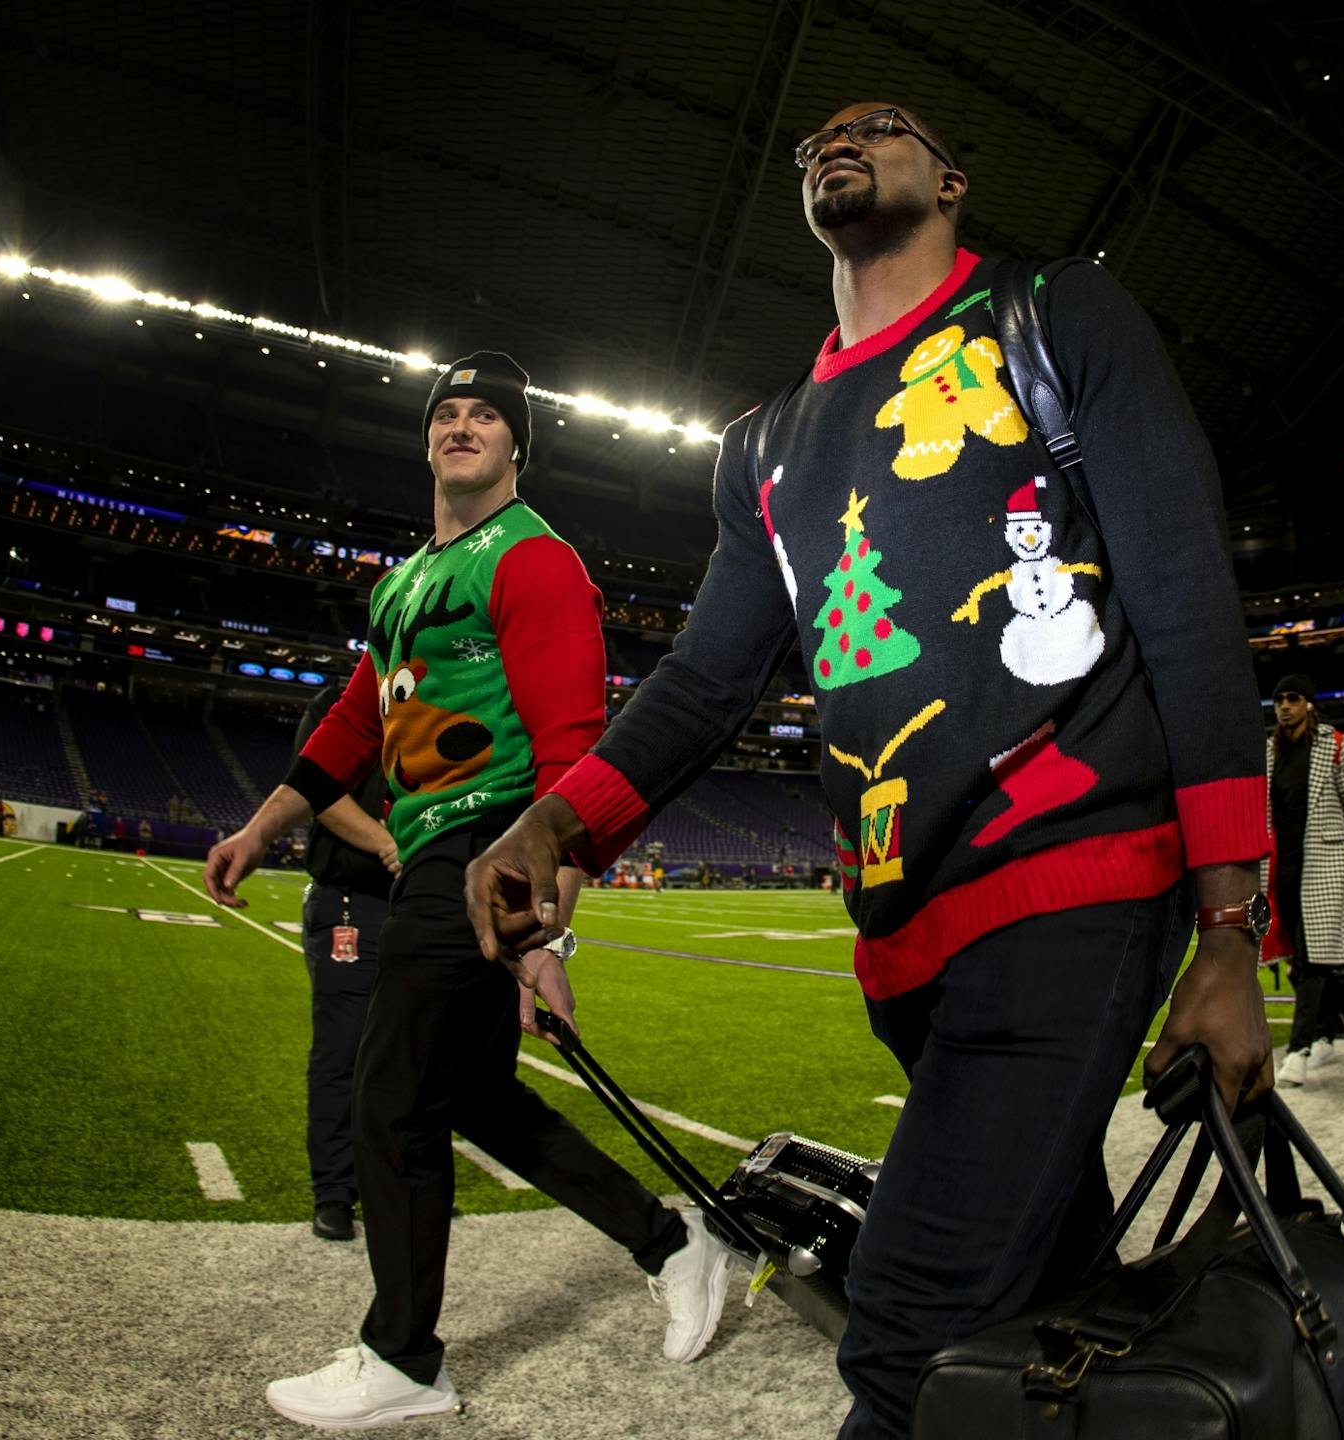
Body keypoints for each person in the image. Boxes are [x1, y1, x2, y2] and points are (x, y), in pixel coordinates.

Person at [464, 102, 1273, 1440]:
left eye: (883, 126)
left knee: (903, 1331)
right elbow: (706, 680)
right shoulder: (764, 444)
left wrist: (1232, 929)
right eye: (816, 141)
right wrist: (559, 825)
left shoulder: (1052, 314)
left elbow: (1184, 593)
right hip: (905, 936)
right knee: (1041, 1315)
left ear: (951, 179)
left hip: (1071, 879)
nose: (840, 139)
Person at [203, 352, 729, 1430]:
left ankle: (402, 1356)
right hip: (434, 847)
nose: (463, 426)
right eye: (447, 412)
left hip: (486, 842)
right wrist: (262, 827)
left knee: (389, 1092)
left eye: (487, 414)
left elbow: (573, 746)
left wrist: (549, 928)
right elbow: (354, 726)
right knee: (474, 1096)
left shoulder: (533, 557)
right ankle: (672, 1243)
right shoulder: (403, 584)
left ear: (517, 443)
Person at [291, 679, 400, 1243]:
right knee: (342, 1052)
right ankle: (335, 1191)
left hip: (415, 906)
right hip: (351, 902)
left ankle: (397, 1180)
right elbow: (317, 787)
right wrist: (387, 843)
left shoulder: (433, 700)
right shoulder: (338, 703)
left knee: (405, 1056)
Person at [1262, 674, 1344, 1087]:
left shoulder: (1336, 745)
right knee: (1296, 959)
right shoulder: (1270, 751)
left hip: (1325, 866)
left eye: (1293, 698)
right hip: (1283, 870)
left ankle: (1299, 1049)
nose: (1285, 705)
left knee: (1314, 959)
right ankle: (1326, 1031)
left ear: (1309, 704)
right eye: (1279, 699)